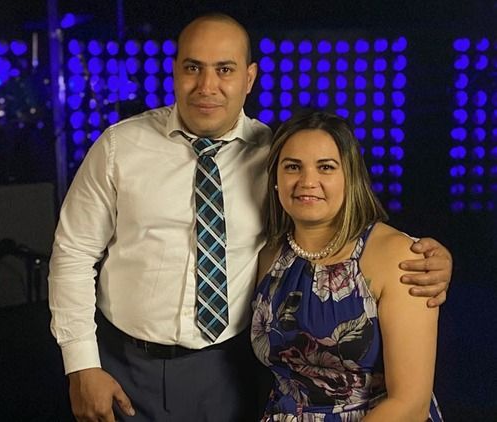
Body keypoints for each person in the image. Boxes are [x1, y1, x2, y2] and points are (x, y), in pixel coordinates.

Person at [48, 13, 452, 422]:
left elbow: (340, 234)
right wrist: (82, 365)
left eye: (224, 69)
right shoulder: (119, 147)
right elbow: (73, 252)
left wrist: (433, 260)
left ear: (249, 77)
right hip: (126, 367)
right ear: (175, 71)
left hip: (232, 372)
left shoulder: (275, 153)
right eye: (193, 68)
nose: (207, 86)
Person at [252, 110, 444, 421]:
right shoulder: (268, 255)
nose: (307, 181)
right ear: (275, 179)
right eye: (292, 167)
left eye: (326, 167)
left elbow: (410, 404)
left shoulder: (396, 255)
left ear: (350, 176)